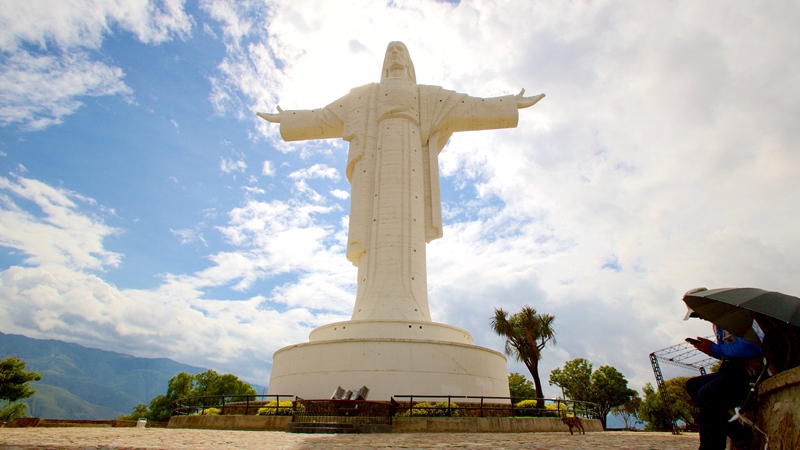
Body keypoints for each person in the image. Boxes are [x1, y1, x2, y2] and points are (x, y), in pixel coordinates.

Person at [258, 41, 544, 323]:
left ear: (408, 61)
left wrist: (509, 103)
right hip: (376, 162)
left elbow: (468, 106)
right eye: (390, 51)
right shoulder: (364, 96)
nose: (395, 54)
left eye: (400, 50)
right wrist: (287, 118)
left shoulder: (427, 96)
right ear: (384, 61)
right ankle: (370, 308)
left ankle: (411, 307)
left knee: (408, 230)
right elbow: (324, 116)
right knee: (376, 233)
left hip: (410, 158)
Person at [685, 324, 763, 450]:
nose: (700, 318)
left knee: (707, 394)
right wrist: (711, 350)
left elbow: (752, 348)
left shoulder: (734, 321)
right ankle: (736, 432)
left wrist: (715, 349)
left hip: (748, 371)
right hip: (731, 369)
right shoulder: (718, 326)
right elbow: (727, 352)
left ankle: (710, 446)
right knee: (693, 385)